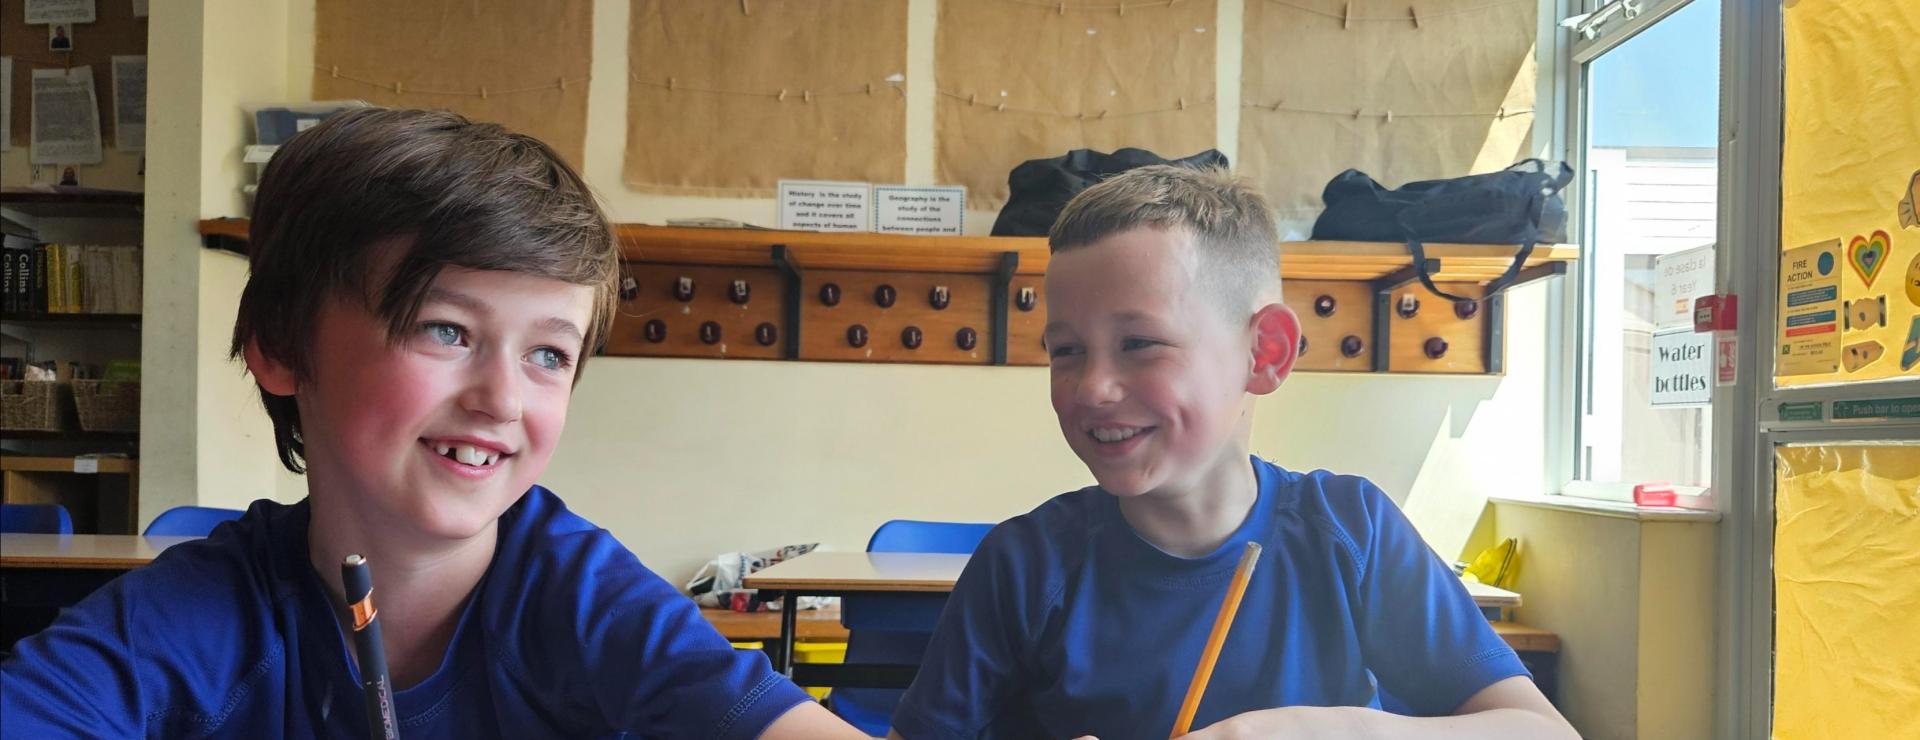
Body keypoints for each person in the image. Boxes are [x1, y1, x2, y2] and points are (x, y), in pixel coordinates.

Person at [0, 108, 865, 739]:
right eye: (445, 331)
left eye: (548, 354)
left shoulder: (581, 596)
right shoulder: (202, 614)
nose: (503, 399)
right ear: (280, 346)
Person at [888, 166, 1577, 739]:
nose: (1092, 387)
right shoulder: (1024, 566)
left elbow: (1541, 730)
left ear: (1264, 353)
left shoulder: (1351, 531)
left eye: (1139, 344)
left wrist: (1330, 730)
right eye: (1066, 350)